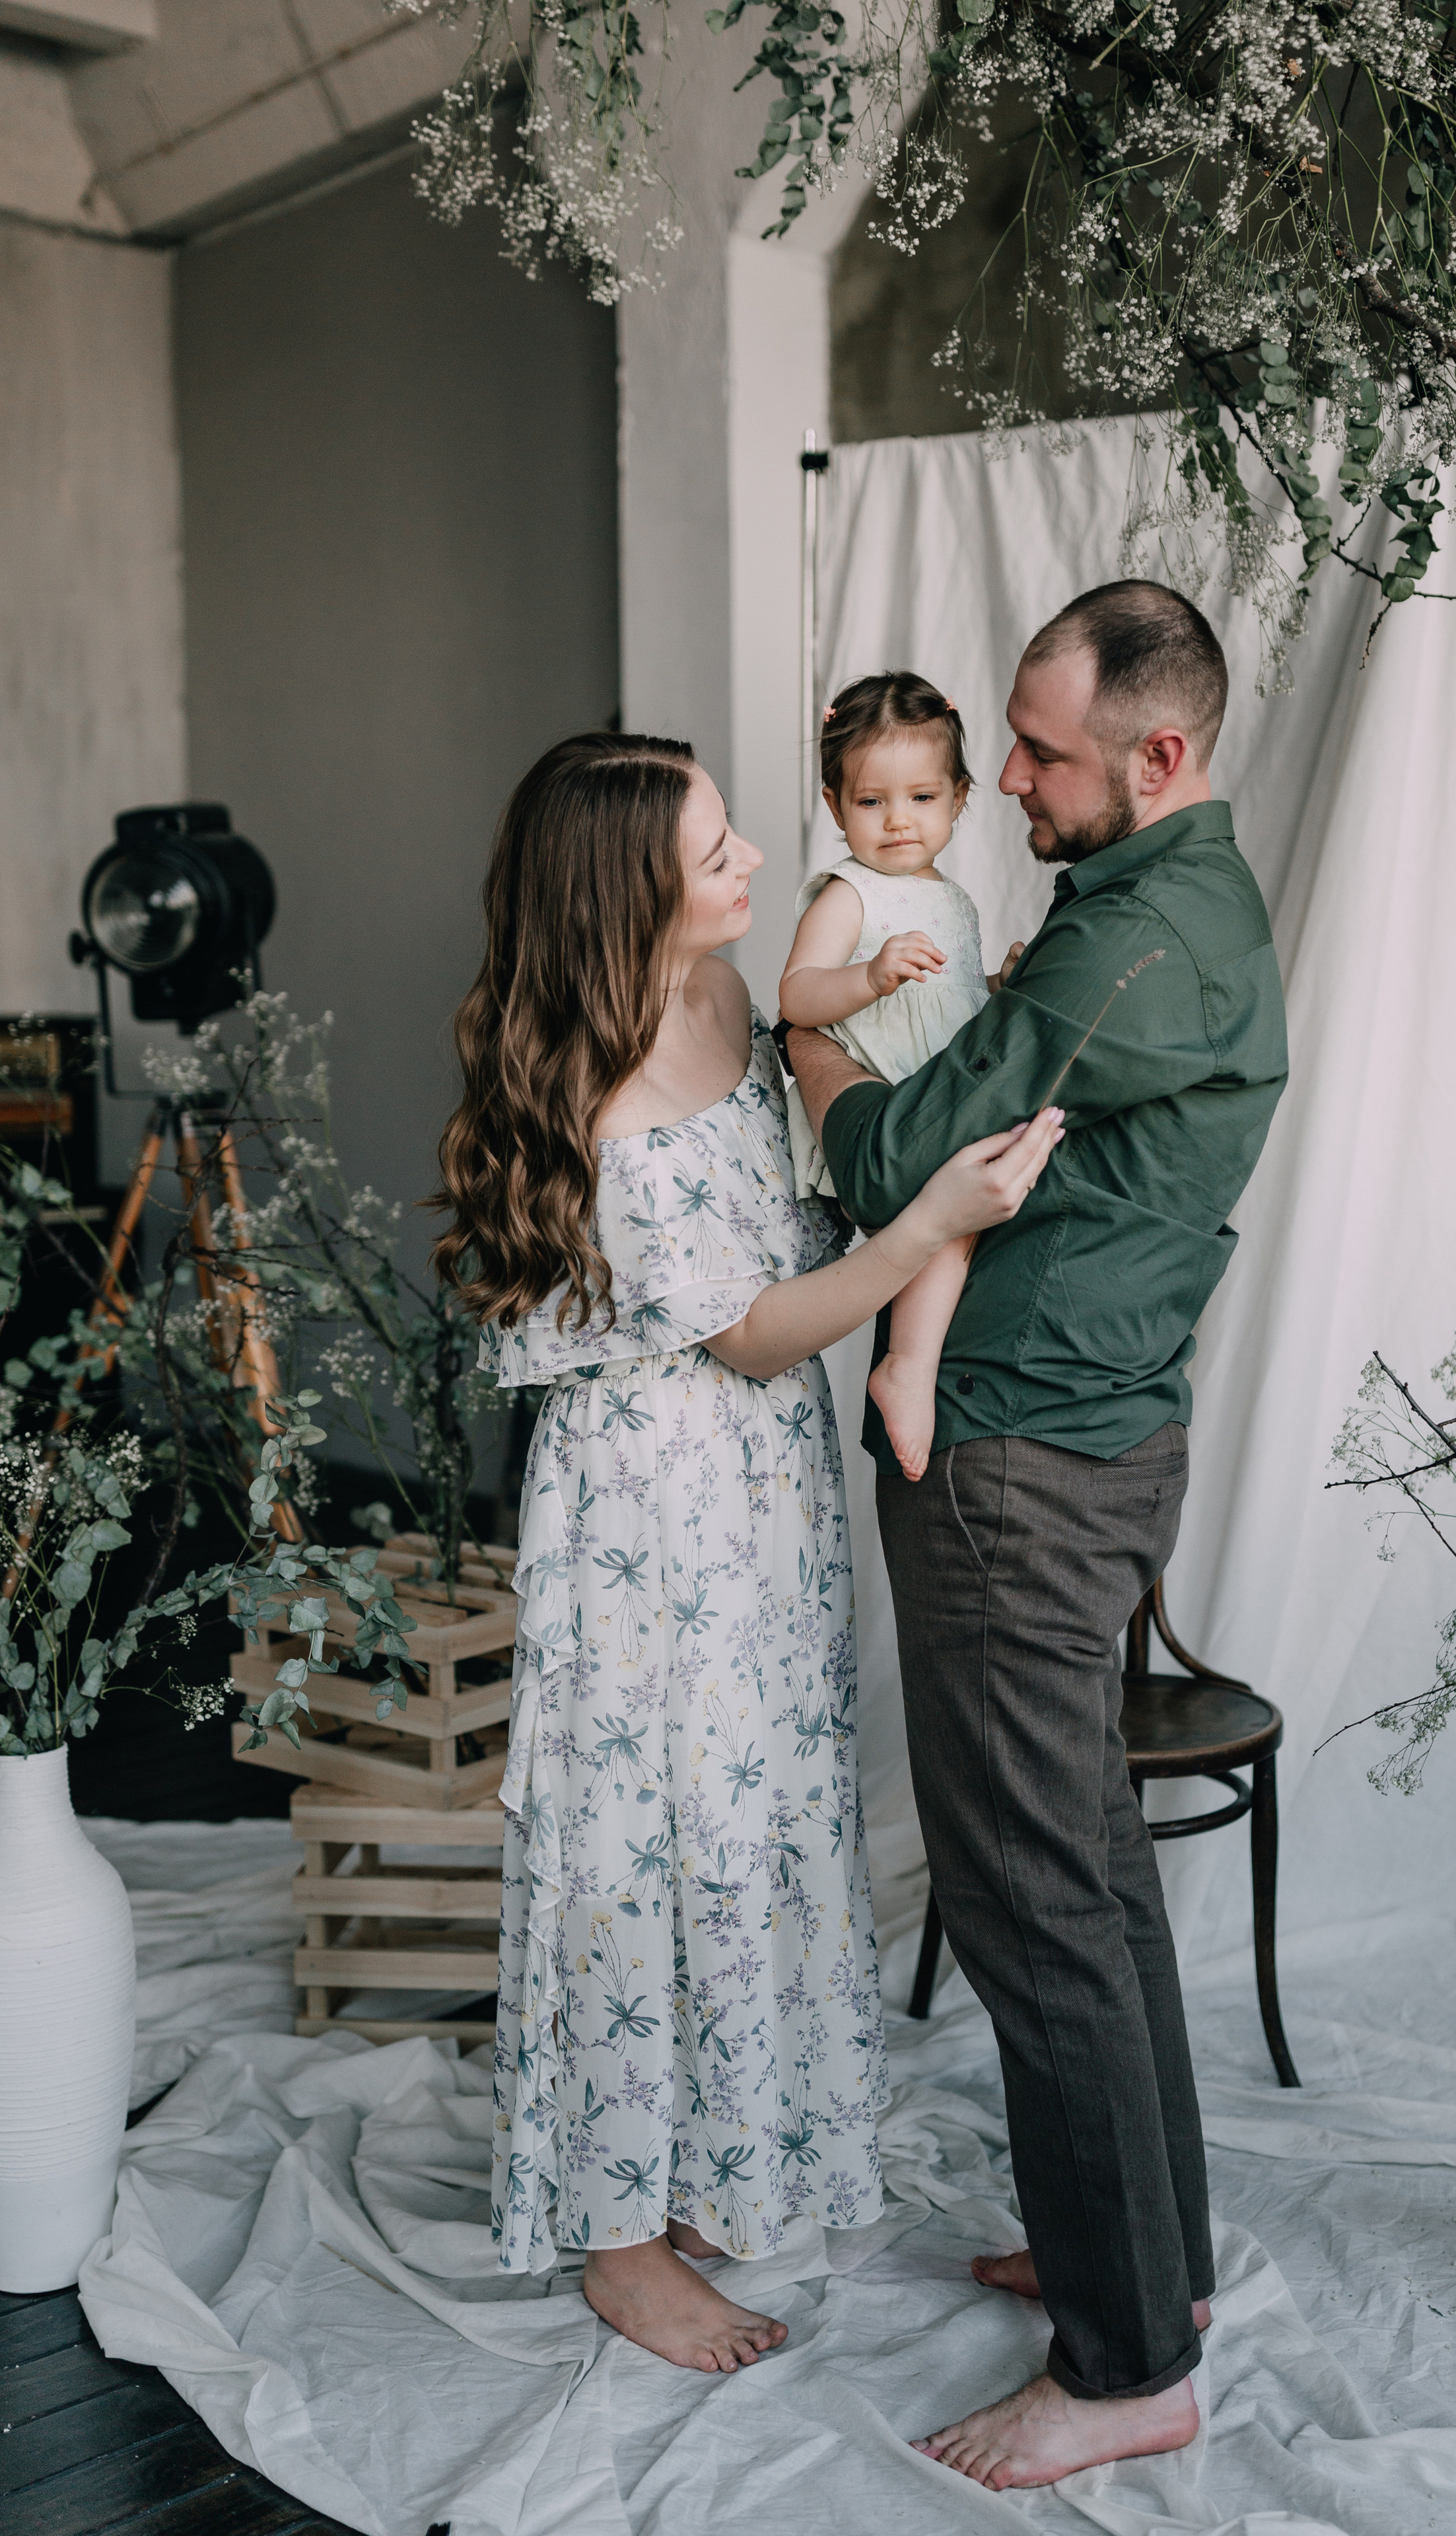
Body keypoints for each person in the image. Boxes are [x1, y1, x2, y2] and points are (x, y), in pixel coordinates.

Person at [431, 730, 1064, 2378]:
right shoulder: (607, 1072)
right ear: (625, 883)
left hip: (757, 1504)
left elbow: (842, 1096)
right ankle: (620, 2241)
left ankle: (702, 2153)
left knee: (747, 1814)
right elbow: (752, 1331)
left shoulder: (736, 997)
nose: (758, 866)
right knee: (641, 1838)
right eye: (718, 849)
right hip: (655, 1509)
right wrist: (929, 1231)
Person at [788, 582, 1288, 2488]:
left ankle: (1126, 2366)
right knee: (1085, 1872)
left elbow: (896, 1161)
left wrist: (820, 1066)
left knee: (1028, 1900)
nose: (1001, 780)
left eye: (1042, 753)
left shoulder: (1123, 950)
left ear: (1158, 757)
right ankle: (1152, 2274)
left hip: (1020, 1468)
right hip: (1089, 1442)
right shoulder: (1149, 908)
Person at [779, 671, 1026, 1483]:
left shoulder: (949, 898)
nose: (897, 822)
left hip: (934, 1088)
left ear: (959, 799)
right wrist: (870, 978)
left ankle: (917, 1363)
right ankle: (907, 1369)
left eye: (921, 798)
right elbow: (798, 994)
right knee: (951, 1216)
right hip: (885, 1101)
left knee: (970, 1218)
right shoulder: (852, 895)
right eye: (871, 802)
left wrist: (997, 986)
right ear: (833, 804)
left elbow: (947, 997)